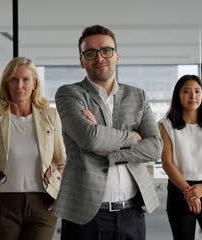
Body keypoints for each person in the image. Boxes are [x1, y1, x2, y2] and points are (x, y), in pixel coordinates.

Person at [53, 25, 162, 240]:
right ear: (81, 60)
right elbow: (91, 138)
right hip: (85, 216)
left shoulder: (137, 96)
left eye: (106, 50)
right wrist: (133, 137)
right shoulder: (70, 94)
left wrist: (111, 153)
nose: (99, 57)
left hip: (132, 213)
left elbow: (155, 148)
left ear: (117, 56)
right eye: (90, 53)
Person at [0, 57, 66, 240]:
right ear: (6, 83)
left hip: (43, 202)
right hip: (3, 203)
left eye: (25, 79)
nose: (19, 85)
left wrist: (62, 197)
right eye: (14, 79)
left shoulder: (51, 116)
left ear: (34, 84)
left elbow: (62, 162)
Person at [158, 75, 202, 240]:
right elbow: (167, 163)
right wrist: (189, 193)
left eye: (197, 91)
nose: (193, 96)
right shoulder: (166, 125)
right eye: (186, 91)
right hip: (179, 191)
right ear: (178, 95)